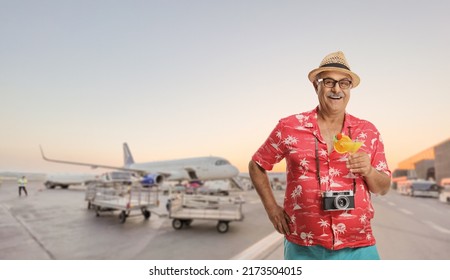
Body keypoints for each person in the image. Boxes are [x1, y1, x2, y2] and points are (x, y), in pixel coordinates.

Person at [248, 51, 391, 260]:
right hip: (303, 247)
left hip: (358, 247)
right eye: (329, 82)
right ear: (316, 85)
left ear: (350, 89)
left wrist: (368, 170)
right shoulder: (289, 126)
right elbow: (257, 165)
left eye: (344, 83)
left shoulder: (368, 131)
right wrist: (272, 209)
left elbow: (383, 187)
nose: (336, 89)